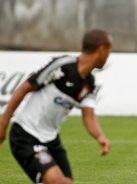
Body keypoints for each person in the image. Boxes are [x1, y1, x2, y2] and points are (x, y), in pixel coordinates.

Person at [0, 29, 112, 184]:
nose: (109, 55)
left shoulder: (89, 83)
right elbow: (24, 88)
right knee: (56, 181)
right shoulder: (62, 66)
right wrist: (3, 123)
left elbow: (88, 115)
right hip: (26, 135)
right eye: (109, 50)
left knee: (65, 182)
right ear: (101, 49)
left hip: (51, 140)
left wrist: (100, 137)